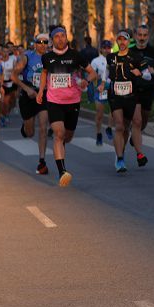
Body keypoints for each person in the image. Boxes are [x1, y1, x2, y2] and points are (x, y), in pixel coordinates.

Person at [36, 26, 100, 187]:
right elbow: (44, 73)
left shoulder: (76, 56)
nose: (60, 38)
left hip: (73, 101)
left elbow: (93, 73)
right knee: (59, 134)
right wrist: (40, 92)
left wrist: (87, 80)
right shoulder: (47, 57)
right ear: (52, 40)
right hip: (54, 101)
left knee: (67, 136)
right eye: (56, 36)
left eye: (62, 35)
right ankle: (62, 172)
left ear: (66, 38)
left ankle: (61, 146)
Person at [107, 30, 150, 173]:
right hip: (116, 96)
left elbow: (148, 76)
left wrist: (141, 73)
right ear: (117, 41)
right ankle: (119, 159)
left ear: (128, 41)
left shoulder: (136, 57)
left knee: (136, 122)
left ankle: (139, 153)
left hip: (133, 95)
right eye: (119, 40)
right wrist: (103, 84)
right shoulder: (111, 57)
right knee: (120, 127)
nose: (122, 42)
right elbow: (108, 76)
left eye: (124, 40)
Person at [12, 34, 50, 173]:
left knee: (43, 126)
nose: (42, 44)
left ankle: (42, 161)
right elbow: (13, 76)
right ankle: (25, 125)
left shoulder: (51, 57)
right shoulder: (26, 57)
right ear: (35, 44)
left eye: (45, 42)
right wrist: (27, 89)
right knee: (30, 133)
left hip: (43, 94)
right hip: (29, 94)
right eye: (39, 42)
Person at [91, 40, 111, 146]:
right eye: (105, 48)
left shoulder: (114, 59)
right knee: (99, 114)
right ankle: (99, 133)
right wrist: (97, 77)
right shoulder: (96, 61)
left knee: (114, 109)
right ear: (101, 49)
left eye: (108, 48)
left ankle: (109, 127)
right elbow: (91, 74)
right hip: (100, 89)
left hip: (111, 87)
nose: (107, 50)